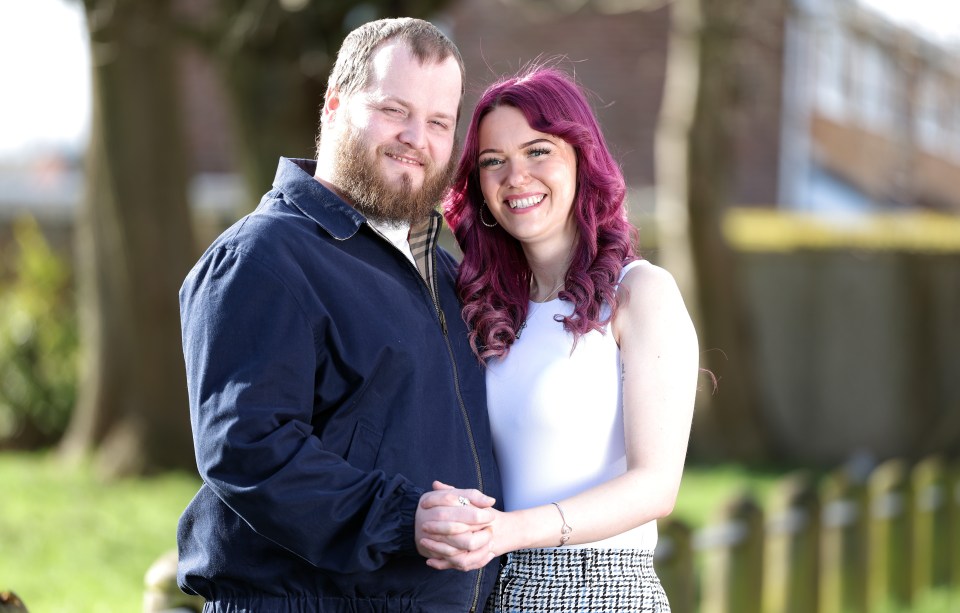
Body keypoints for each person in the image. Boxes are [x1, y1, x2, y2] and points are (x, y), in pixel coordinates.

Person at [177, 18, 502, 612]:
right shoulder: (263, 258)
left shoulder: (451, 277)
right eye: (393, 110)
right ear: (333, 107)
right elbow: (247, 448)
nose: (416, 138)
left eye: (438, 121)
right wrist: (404, 519)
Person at [425, 66, 700, 611]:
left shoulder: (639, 293)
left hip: (603, 587)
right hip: (495, 586)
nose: (515, 176)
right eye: (493, 161)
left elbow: (656, 486)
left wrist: (509, 531)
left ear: (581, 157)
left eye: (537, 151)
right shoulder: (485, 311)